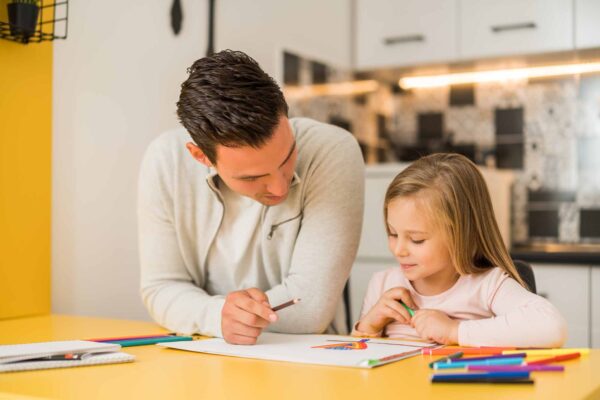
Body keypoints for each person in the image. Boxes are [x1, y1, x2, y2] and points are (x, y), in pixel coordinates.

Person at [138, 50, 364, 345]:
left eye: (286, 158)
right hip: (206, 353)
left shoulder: (332, 150)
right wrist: (218, 315)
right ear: (201, 156)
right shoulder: (165, 161)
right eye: (251, 177)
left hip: (312, 358)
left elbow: (311, 306)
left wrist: (200, 313)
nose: (280, 189)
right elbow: (161, 287)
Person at [352, 153, 566, 347]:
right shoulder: (382, 285)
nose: (398, 250)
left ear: (462, 234)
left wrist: (454, 331)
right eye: (393, 233)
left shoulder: (487, 286)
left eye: (417, 240)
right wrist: (368, 327)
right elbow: (354, 365)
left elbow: (552, 327)